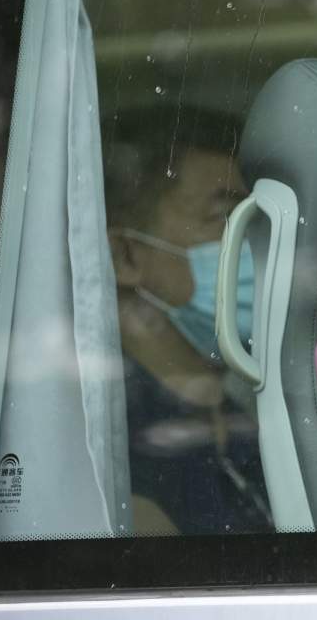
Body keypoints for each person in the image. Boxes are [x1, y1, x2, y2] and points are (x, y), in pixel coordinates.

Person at [103, 107, 271, 535]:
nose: (249, 246)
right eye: (223, 219)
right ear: (126, 256)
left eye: (252, 222)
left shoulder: (249, 420)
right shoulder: (105, 448)